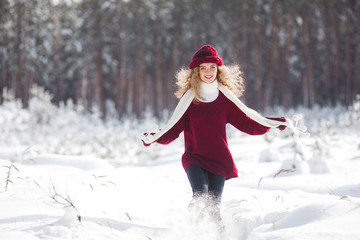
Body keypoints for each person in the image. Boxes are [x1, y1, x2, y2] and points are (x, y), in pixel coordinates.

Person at [141, 44, 290, 224]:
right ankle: (190, 231)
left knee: (213, 207)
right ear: (196, 71)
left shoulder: (225, 99)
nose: (208, 71)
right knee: (200, 196)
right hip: (194, 158)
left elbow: (247, 124)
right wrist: (156, 137)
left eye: (212, 66)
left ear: (219, 70)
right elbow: (173, 129)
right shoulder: (189, 99)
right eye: (203, 68)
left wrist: (270, 123)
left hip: (219, 161)